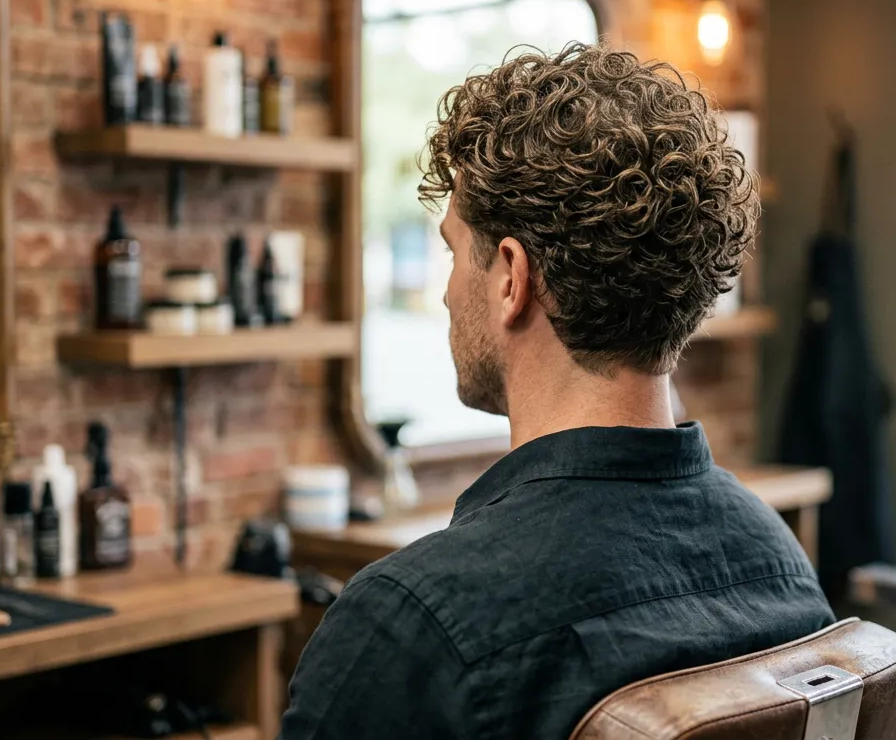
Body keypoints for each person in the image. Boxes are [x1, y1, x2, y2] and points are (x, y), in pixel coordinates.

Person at [280, 42, 834, 740]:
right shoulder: (777, 563)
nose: (448, 293)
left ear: (511, 277)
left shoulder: (411, 624)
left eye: (454, 252)